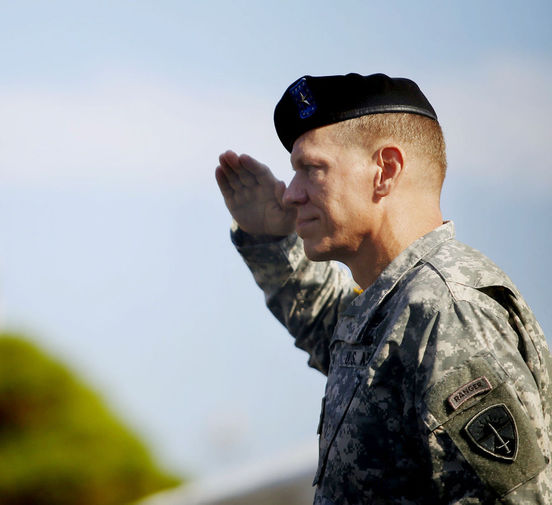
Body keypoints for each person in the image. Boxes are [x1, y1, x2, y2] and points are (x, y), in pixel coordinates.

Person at [215, 73, 552, 504]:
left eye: (311, 169)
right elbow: (329, 327)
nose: (292, 195)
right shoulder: (398, 304)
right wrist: (270, 239)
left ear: (385, 171)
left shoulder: (445, 310)